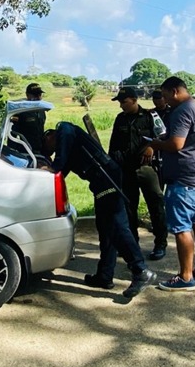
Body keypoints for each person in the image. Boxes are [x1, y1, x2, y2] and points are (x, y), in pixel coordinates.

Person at [42, 122, 157, 299]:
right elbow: (59, 173)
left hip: (106, 177)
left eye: (49, 146)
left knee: (117, 226)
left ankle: (140, 271)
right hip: (101, 180)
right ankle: (105, 275)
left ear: (50, 135)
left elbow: (58, 165)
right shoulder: (69, 146)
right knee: (105, 228)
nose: (52, 150)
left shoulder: (64, 129)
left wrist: (52, 167)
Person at [148, 76, 195, 292]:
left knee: (181, 228)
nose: (165, 101)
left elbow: (176, 144)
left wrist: (156, 144)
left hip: (184, 181)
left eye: (166, 96)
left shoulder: (182, 110)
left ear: (175, 91)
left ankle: (186, 277)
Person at [108, 87, 168, 261]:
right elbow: (113, 145)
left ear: (134, 100)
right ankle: (132, 245)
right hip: (125, 170)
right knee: (129, 209)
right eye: (119, 102)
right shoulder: (120, 119)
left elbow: (164, 136)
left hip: (146, 169)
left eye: (124, 102)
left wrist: (152, 146)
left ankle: (160, 244)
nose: (121, 105)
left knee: (156, 206)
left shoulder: (151, 117)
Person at [10, 82, 46, 152]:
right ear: (27, 95)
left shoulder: (42, 110)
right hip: (25, 151)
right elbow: (13, 134)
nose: (38, 97)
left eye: (40, 94)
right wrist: (11, 152)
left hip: (40, 150)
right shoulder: (20, 111)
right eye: (35, 95)